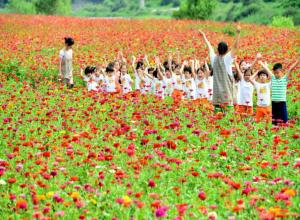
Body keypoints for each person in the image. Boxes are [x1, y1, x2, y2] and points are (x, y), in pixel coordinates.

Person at [199, 26, 241, 113]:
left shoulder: (213, 58)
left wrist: (204, 36)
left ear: (217, 50)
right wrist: (238, 33)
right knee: (228, 120)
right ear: (226, 51)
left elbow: (209, 46)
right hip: (227, 97)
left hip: (217, 96)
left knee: (217, 119)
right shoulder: (227, 59)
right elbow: (235, 47)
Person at [259, 59, 299, 125]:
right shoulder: (273, 77)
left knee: (284, 120)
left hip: (282, 103)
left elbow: (291, 69)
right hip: (274, 103)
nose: (276, 74)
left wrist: (297, 61)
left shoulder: (284, 79)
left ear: (281, 71)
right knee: (274, 121)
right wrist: (262, 63)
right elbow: (267, 70)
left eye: (278, 72)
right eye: (275, 73)